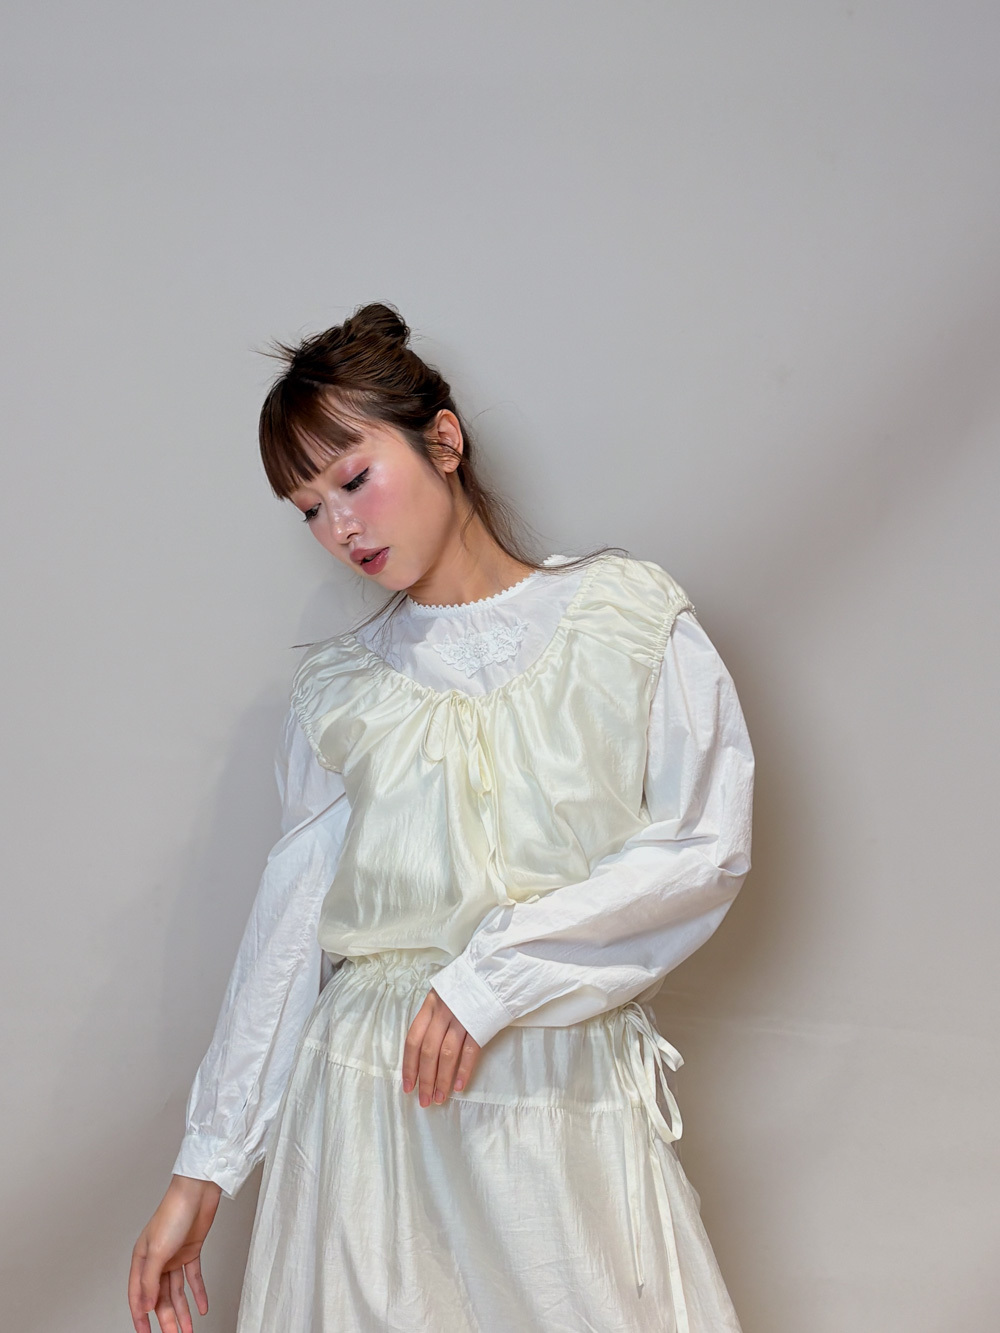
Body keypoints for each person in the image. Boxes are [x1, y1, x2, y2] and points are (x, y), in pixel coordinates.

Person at [128, 302, 754, 1333]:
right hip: (371, 1116)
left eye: (352, 479)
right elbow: (289, 934)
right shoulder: (341, 692)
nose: (339, 528)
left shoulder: (624, 618)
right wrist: (205, 1168)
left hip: (553, 1097)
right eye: (308, 508)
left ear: (445, 441)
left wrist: (492, 976)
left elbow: (702, 848)